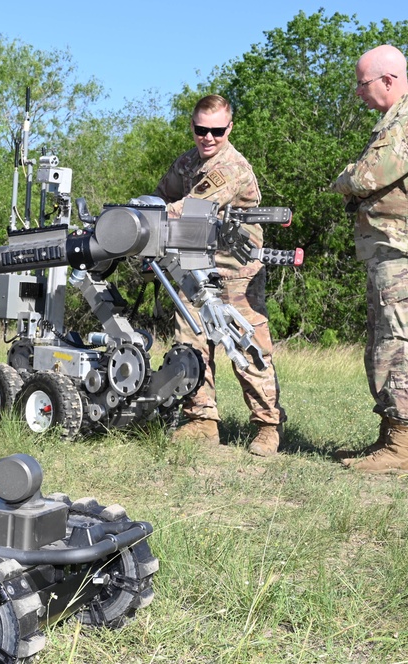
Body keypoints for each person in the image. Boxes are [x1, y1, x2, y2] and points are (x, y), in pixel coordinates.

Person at [154, 94, 286, 456]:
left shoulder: (231, 166)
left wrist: (145, 217)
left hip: (237, 274)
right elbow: (158, 197)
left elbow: (188, 209)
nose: (208, 137)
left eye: (216, 130)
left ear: (229, 128)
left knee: (247, 346)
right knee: (191, 343)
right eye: (201, 129)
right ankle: (201, 420)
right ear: (193, 127)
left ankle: (267, 426)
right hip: (195, 268)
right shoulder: (187, 163)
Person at [331, 44, 408, 474]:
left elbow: (368, 175)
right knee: (383, 343)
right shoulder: (392, 123)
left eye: (363, 83)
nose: (359, 92)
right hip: (386, 249)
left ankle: (406, 446)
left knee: (399, 345)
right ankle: (392, 434)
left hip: (403, 251)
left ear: (388, 79)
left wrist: (346, 177)